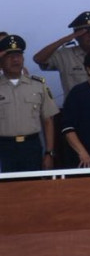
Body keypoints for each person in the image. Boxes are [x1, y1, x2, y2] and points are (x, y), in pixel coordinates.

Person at [33, 11, 90, 101]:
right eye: (85, 32)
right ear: (76, 35)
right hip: (77, 111)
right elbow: (38, 58)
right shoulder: (65, 56)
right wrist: (65, 40)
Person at [0, 35, 58, 172]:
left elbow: (48, 121)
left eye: (18, 55)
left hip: (31, 146)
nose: (15, 60)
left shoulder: (38, 86)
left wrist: (49, 153)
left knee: (33, 188)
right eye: (9, 56)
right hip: (4, 147)